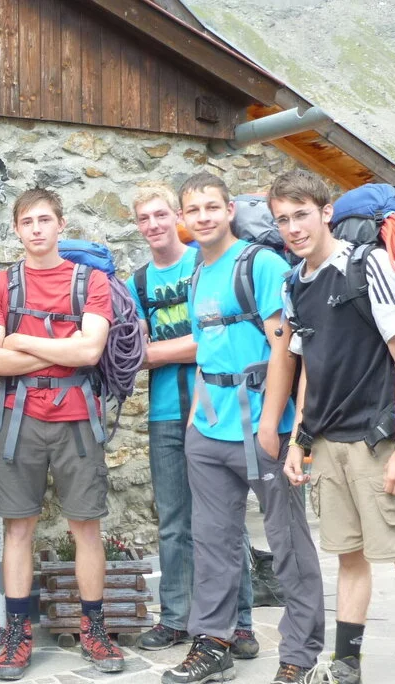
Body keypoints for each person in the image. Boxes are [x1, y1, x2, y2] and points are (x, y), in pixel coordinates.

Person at [272, 169, 395, 684]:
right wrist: (299, 441)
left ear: (326, 213)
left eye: (302, 214)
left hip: (378, 442)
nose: (294, 227)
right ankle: (347, 667)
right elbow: (308, 371)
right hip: (327, 444)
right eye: (283, 219)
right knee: (349, 559)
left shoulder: (369, 266)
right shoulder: (293, 283)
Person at [163, 173, 324, 684]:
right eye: (194, 210)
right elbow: (206, 349)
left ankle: (298, 656)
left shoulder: (261, 263)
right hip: (209, 433)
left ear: (229, 208)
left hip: (262, 431)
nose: (204, 216)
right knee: (212, 542)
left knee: (288, 545)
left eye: (212, 206)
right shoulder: (195, 272)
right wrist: (194, 424)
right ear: (184, 219)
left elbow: (285, 346)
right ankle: (213, 644)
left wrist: (273, 428)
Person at [0, 188, 124, 680]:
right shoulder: (1, 285)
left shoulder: (92, 281)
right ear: (17, 229)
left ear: (61, 225)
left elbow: (90, 354)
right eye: (27, 221)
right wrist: (59, 346)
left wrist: (22, 339)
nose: (37, 229)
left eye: (45, 220)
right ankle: (18, 635)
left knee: (86, 526)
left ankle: (94, 629)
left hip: (77, 421)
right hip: (19, 418)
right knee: (17, 526)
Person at [125, 183, 259, 659]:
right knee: (174, 522)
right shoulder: (137, 283)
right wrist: (158, 353)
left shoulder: (204, 265)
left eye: (161, 215)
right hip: (165, 411)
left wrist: (159, 352)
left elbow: (211, 341)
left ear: (175, 217)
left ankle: (240, 622)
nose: (154, 225)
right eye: (144, 218)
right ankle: (176, 619)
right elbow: (130, 353)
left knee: (225, 521)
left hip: (215, 409)